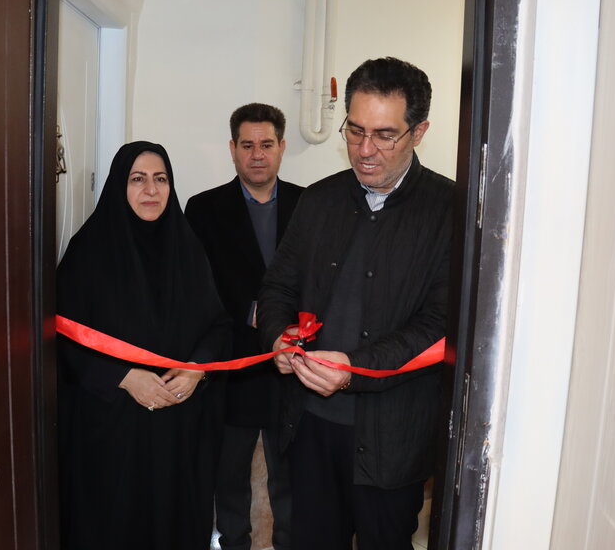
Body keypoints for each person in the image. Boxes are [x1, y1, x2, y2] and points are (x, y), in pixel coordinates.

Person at [257, 58, 453, 550]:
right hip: (309, 428)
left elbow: (438, 325)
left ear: (419, 131)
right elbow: (277, 288)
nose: (365, 150)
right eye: (356, 131)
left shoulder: (448, 211)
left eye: (385, 135)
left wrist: (354, 369)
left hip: (393, 438)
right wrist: (278, 337)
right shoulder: (319, 200)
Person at [56, 141, 230, 550]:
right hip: (112, 433)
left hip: (177, 432)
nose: (151, 190)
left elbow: (219, 326)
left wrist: (196, 369)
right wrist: (123, 378)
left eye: (160, 179)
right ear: (120, 186)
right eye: (138, 179)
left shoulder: (187, 248)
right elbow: (62, 336)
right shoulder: (88, 251)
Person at [185, 103, 304, 550]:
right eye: (248, 145)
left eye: (267, 144)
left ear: (282, 147)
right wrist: (249, 312)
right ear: (232, 149)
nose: (258, 154)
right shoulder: (203, 209)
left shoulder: (309, 204)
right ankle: (232, 543)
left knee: (290, 477)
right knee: (229, 475)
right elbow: (195, 287)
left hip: (292, 365)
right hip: (232, 367)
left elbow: (322, 278)